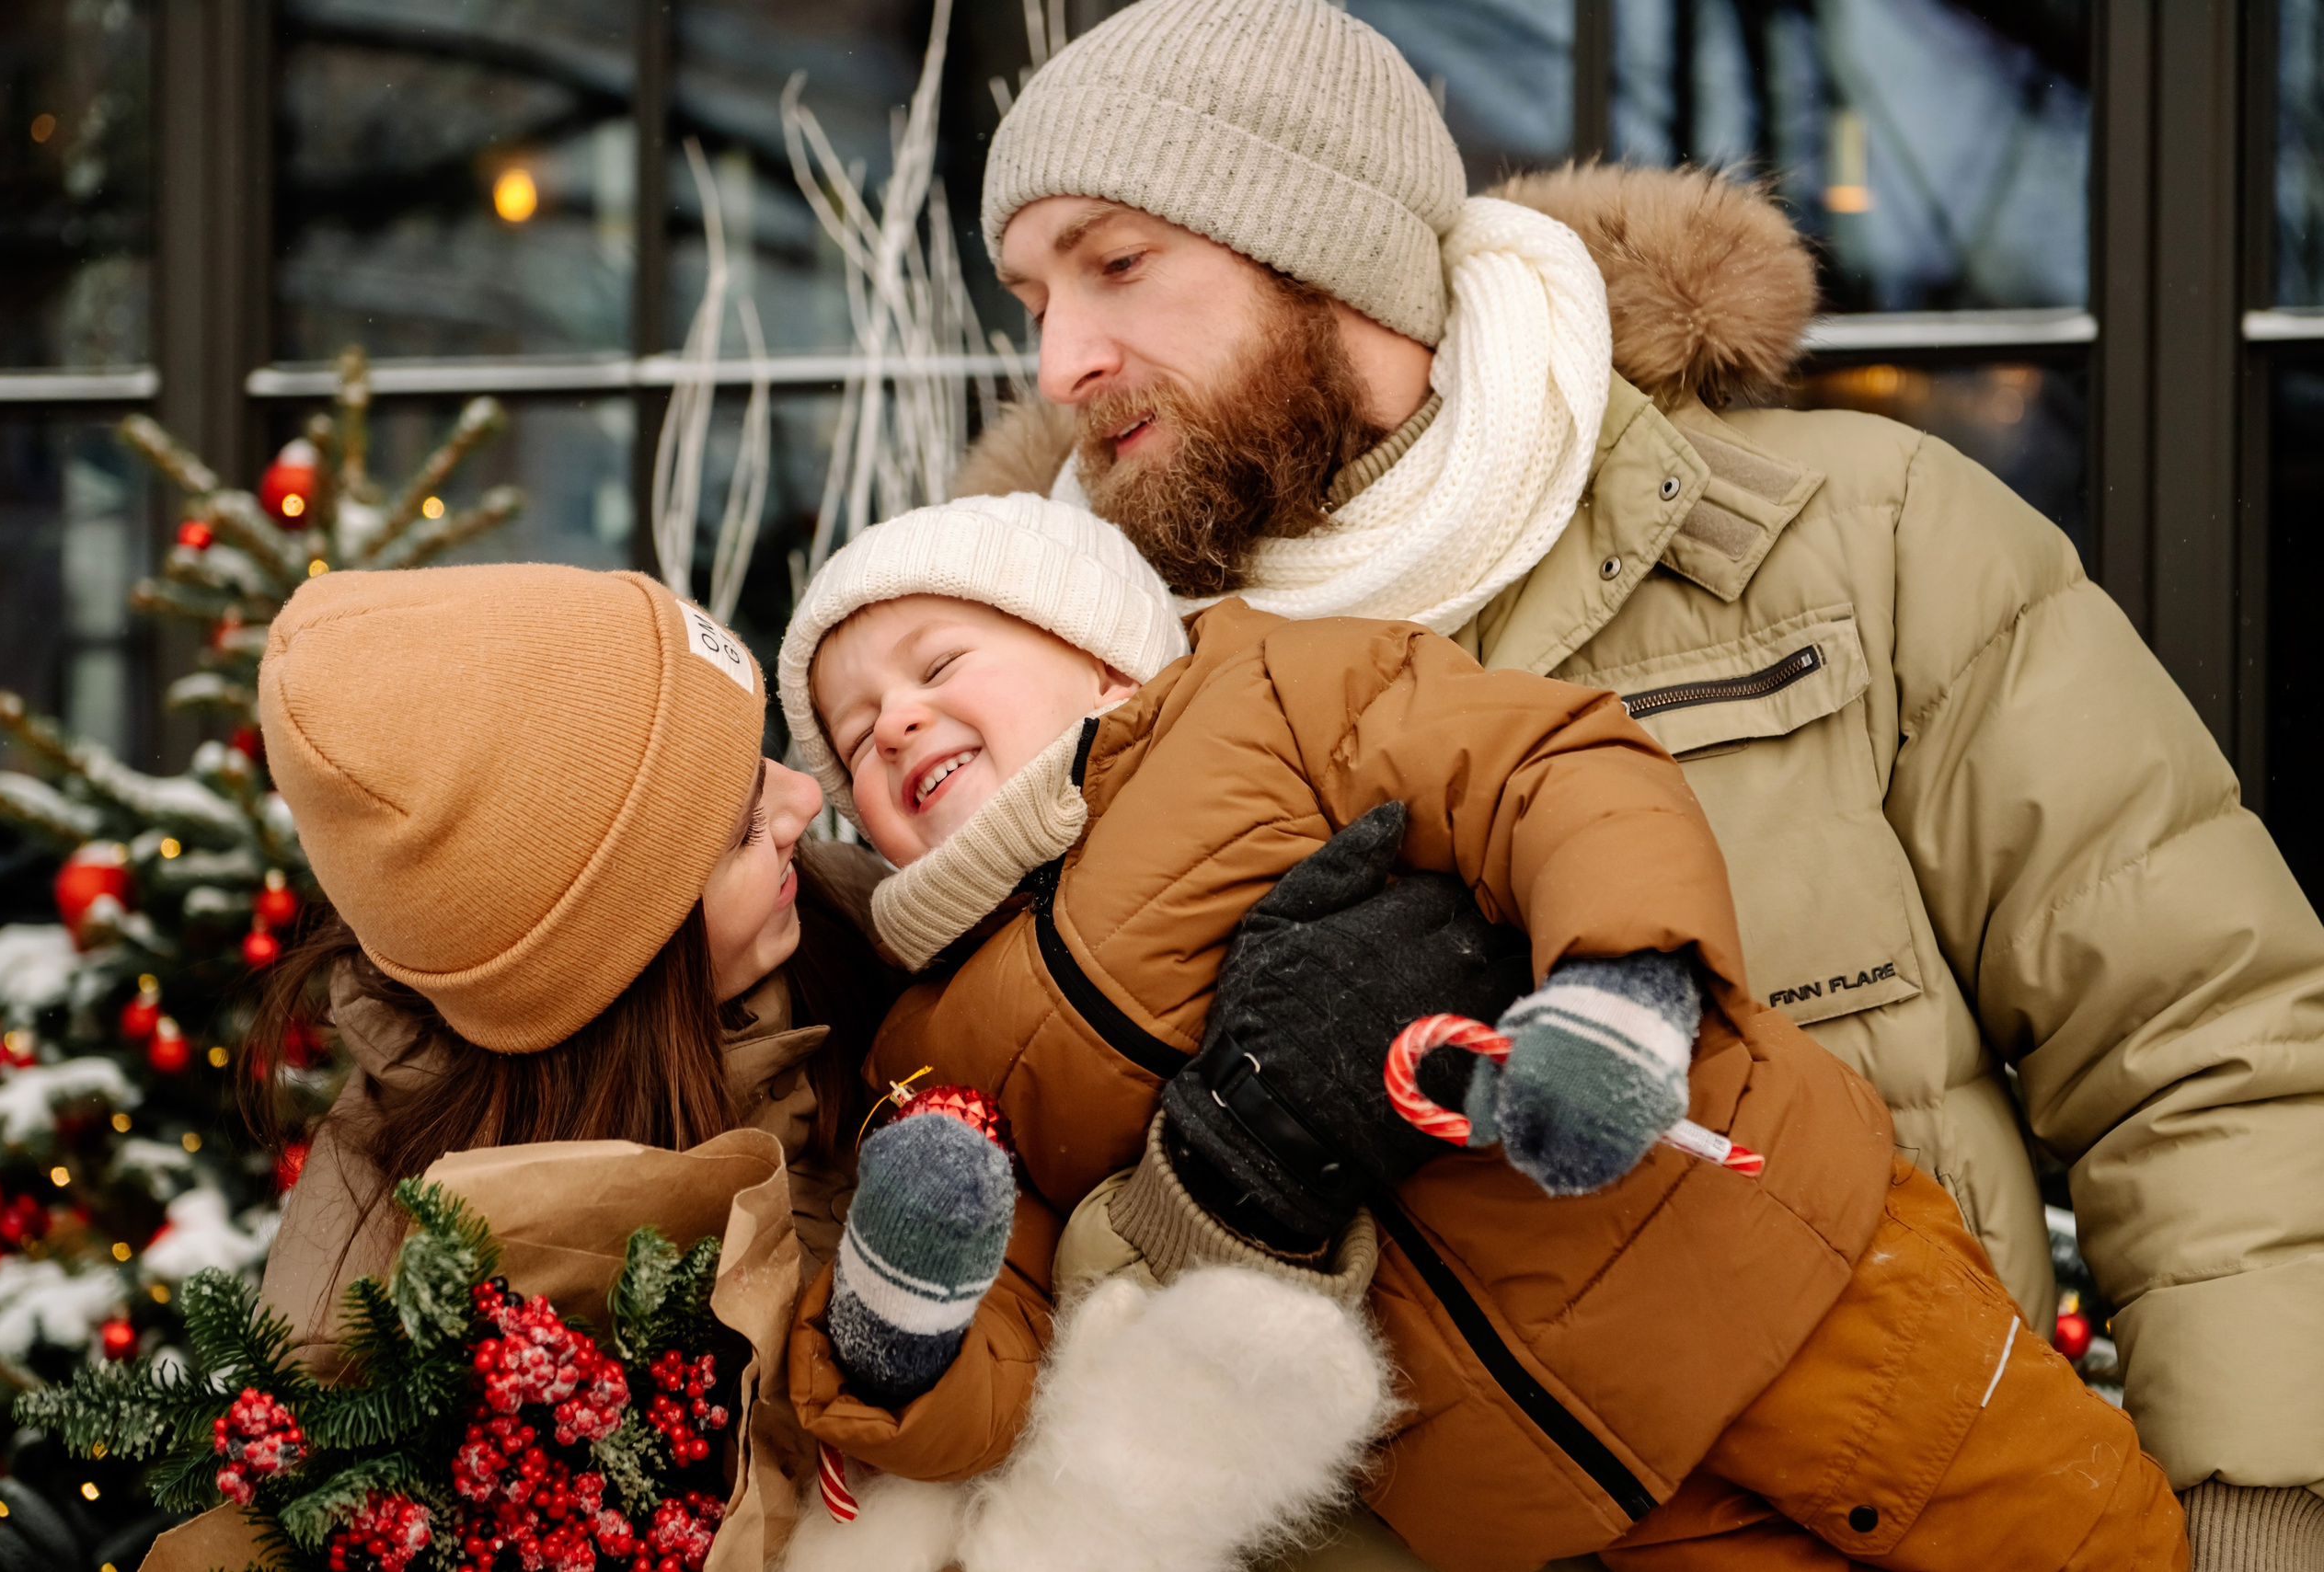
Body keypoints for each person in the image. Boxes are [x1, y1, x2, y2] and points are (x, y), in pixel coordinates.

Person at [958, 0, 2324, 1563]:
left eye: (1115, 263)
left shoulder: (1850, 548)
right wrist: (1234, 1175)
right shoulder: (1039, 739)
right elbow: (1009, 1377)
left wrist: (2256, 1514)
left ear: (1327, 253)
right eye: (1031, 293)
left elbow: (2204, 1042)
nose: (1059, 359)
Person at [770, 493, 2184, 1570]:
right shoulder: (933, 1033)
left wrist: (1619, 991)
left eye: (936, 660)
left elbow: (1550, 775)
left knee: (2070, 1534)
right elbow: (1017, 1349)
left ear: (1100, 652)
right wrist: (902, 1347)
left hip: (1796, 1287)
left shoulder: (1271, 697)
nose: (895, 720)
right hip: (1551, 1499)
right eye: (852, 730)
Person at [245, 562, 896, 1369]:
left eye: (759, 760)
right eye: (742, 832)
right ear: (626, 973)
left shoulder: (857, 919)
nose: (804, 797)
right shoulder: (403, 1320)